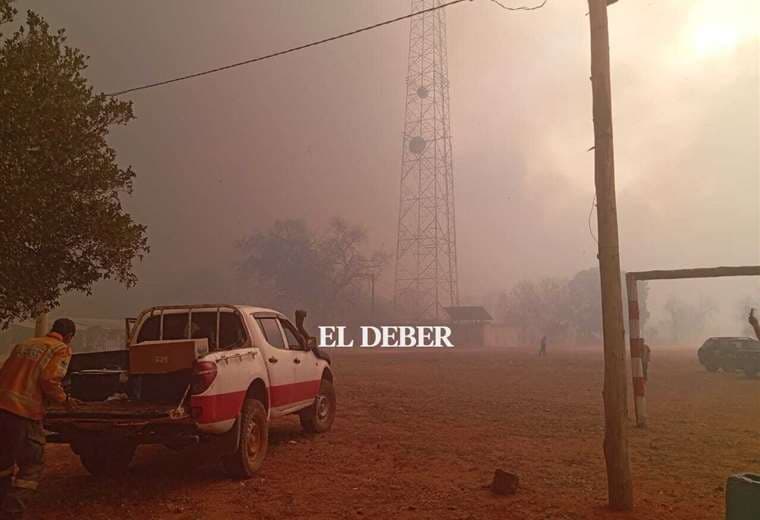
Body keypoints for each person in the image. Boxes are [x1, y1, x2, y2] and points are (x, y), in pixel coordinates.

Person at [0, 318, 79, 519]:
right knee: (31, 465)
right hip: (23, 412)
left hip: (2, 407)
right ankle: (12, 513)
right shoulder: (61, 349)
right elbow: (49, 380)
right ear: (69, 336)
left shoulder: (25, 344)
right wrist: (65, 400)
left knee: (3, 463)